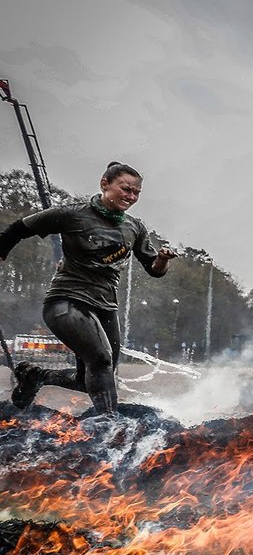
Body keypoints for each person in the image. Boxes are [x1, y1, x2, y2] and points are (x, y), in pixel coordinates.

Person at [0, 162, 176, 416]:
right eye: (125, 189)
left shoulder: (134, 227)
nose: (131, 196)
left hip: (105, 307)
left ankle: (37, 376)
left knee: (93, 377)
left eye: (136, 193)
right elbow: (19, 229)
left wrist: (162, 259)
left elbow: (154, 269)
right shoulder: (72, 215)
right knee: (101, 359)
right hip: (66, 301)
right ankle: (109, 421)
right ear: (105, 183)